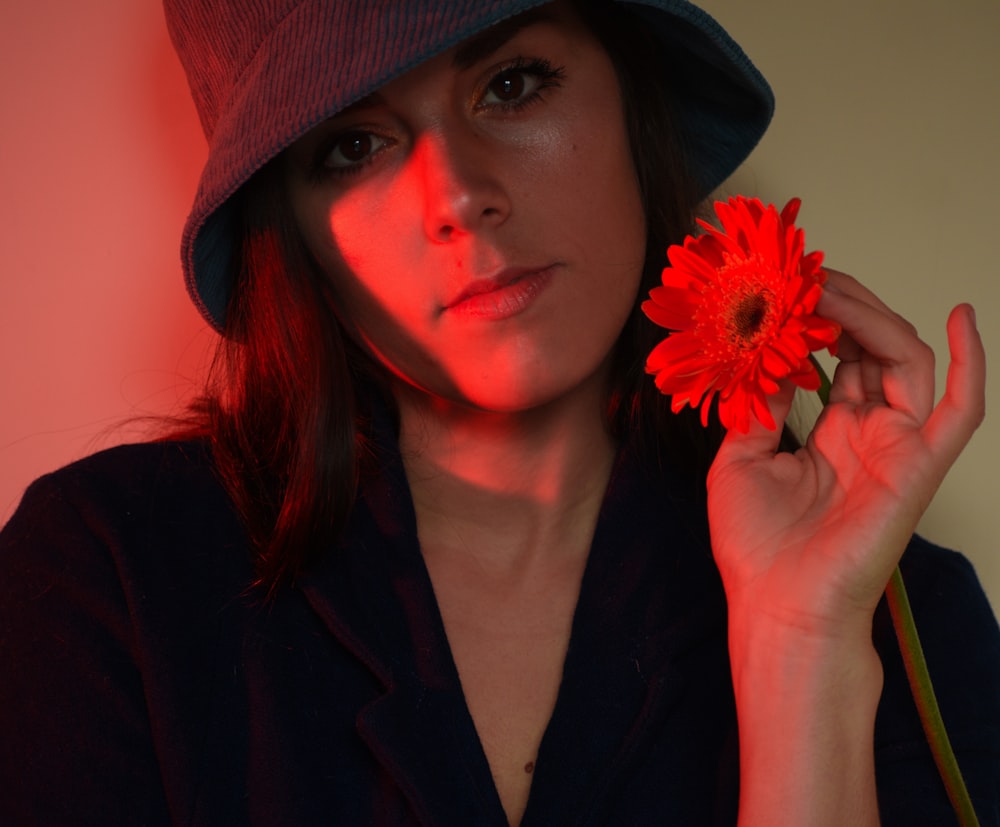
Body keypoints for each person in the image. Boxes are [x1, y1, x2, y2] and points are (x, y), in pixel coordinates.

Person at [1, 0, 998, 824]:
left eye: (511, 84)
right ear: (291, 228)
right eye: (352, 145)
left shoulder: (900, 613)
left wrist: (801, 650)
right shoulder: (106, 576)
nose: (460, 194)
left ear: (629, 100)